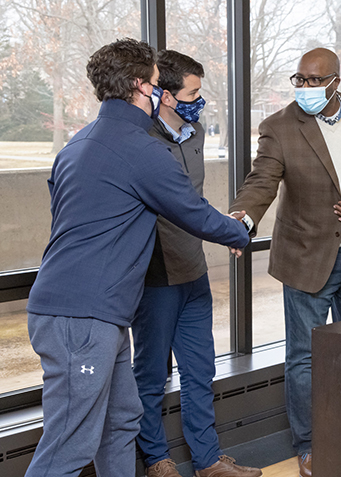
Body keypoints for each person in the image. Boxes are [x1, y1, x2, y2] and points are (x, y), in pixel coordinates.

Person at [24, 38, 250, 477]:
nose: (157, 91)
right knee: (69, 446)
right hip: (82, 319)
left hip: (88, 314)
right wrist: (237, 230)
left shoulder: (78, 144)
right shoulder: (140, 148)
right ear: (139, 87)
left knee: (122, 419)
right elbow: (191, 210)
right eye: (152, 82)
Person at [228, 48, 341, 477]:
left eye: (314, 80)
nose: (304, 88)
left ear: (336, 81)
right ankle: (309, 445)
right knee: (304, 357)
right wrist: (241, 219)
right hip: (307, 258)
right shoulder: (279, 126)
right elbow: (261, 180)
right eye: (299, 79)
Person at [130, 51, 261, 477]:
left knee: (199, 371)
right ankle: (157, 460)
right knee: (149, 376)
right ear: (165, 95)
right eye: (193, 93)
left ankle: (207, 461)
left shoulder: (197, 131)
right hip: (155, 277)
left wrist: (227, 228)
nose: (199, 101)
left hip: (194, 271)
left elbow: (194, 202)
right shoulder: (142, 140)